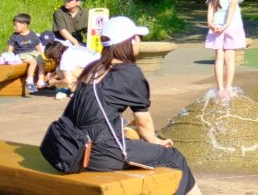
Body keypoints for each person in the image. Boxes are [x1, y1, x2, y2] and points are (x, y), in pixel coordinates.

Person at [62, 16, 200, 193]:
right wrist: (156, 142)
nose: (139, 41)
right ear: (129, 41)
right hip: (99, 153)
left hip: (73, 147)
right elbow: (144, 123)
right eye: (137, 37)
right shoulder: (129, 73)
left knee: (136, 142)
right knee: (173, 157)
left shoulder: (94, 68)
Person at [205, 0, 247, 100]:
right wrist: (227, 25)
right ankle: (228, 88)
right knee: (230, 57)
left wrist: (210, 22)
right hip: (232, 25)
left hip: (215, 26)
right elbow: (233, 7)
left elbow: (210, 6)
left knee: (218, 58)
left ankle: (220, 89)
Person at [6, 13, 45, 94]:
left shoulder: (32, 34)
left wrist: (41, 54)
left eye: (15, 25)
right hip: (21, 53)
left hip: (33, 52)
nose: (14, 27)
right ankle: (29, 81)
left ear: (24, 25)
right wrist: (9, 57)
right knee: (33, 61)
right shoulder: (14, 36)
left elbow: (37, 46)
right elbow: (10, 49)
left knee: (41, 61)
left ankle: (41, 79)